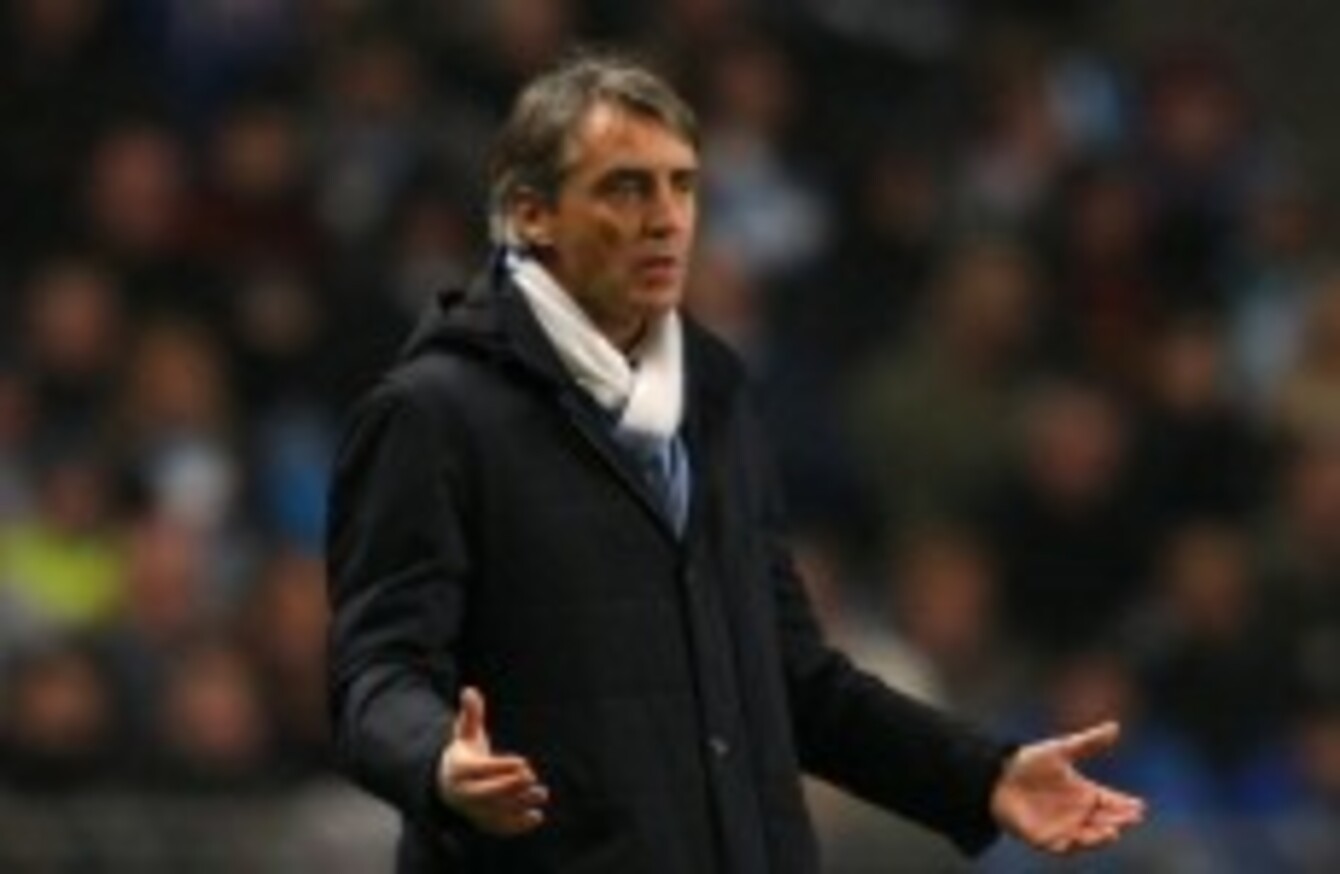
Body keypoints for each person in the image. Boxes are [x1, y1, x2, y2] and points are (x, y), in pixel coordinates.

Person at [324, 52, 1145, 874]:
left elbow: (791, 681)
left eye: (681, 186)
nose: (666, 219)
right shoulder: (434, 414)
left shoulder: (713, 395)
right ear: (532, 215)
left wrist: (983, 776)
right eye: (625, 188)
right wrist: (438, 762)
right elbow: (377, 673)